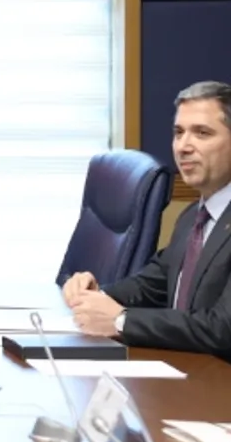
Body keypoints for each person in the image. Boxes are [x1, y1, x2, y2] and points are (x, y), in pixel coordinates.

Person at [63, 81, 231, 359]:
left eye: (202, 133)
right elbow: (155, 284)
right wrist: (97, 295)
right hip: (187, 367)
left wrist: (121, 321)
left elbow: (222, 328)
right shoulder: (194, 215)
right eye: (178, 133)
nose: (183, 146)